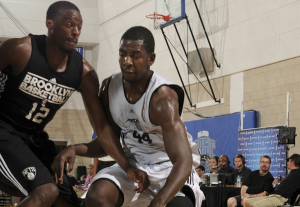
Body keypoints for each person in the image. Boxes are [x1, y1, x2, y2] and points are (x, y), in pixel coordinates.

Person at [0, 1, 148, 207]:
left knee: (66, 202)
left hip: (33, 139)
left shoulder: (84, 73)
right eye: (69, 25)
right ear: (49, 23)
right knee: (46, 191)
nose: (75, 32)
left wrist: (126, 166)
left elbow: (102, 128)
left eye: (79, 27)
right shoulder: (20, 50)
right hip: (4, 132)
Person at [57, 26, 203, 207]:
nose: (127, 61)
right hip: (133, 166)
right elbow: (106, 143)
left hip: (169, 169)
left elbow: (183, 160)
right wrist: (75, 148)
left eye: (135, 56)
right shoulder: (109, 88)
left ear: (151, 59)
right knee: (98, 196)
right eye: (122, 54)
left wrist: (157, 203)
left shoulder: (162, 98)